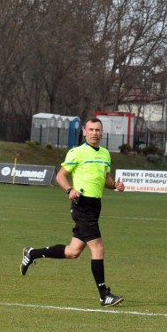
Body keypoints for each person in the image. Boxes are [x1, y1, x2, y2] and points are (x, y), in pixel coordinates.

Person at [20, 117, 126, 307]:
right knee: (98, 248)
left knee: (72, 252)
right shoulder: (77, 152)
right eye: (91, 129)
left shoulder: (105, 154)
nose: (95, 133)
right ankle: (104, 294)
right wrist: (70, 190)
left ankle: (32, 253)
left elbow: (106, 180)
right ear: (84, 132)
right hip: (82, 205)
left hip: (95, 206)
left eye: (98, 130)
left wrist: (115, 185)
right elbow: (60, 176)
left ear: (102, 133)